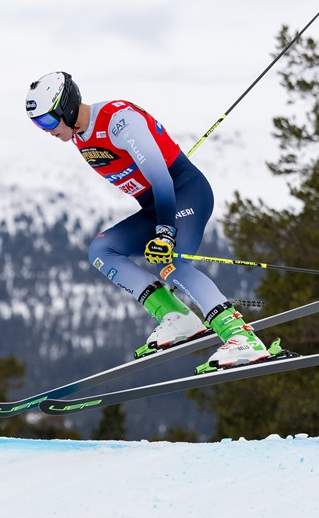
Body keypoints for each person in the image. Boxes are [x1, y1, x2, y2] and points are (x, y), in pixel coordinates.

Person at [23, 71, 277, 371]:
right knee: (102, 251)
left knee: (172, 263)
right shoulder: (80, 136)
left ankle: (241, 337)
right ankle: (177, 317)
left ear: (66, 106)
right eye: (38, 124)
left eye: (48, 121)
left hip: (184, 194)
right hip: (156, 208)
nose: (47, 130)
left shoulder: (118, 120)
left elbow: (160, 177)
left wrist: (166, 232)